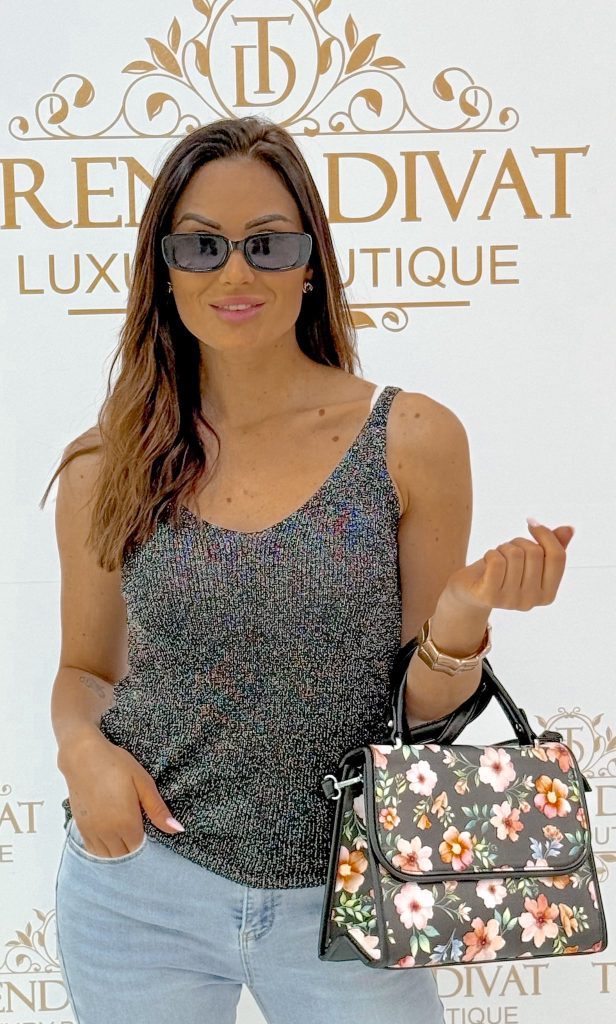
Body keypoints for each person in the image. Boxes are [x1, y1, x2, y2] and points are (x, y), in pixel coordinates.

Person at [42, 115, 574, 1024]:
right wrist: (81, 751)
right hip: (139, 890)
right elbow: (85, 670)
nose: (235, 273)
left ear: (310, 263)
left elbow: (419, 715)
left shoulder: (410, 440)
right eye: (201, 246)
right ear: (163, 268)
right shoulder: (108, 462)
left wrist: (462, 613)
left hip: (356, 896)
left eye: (267, 244)